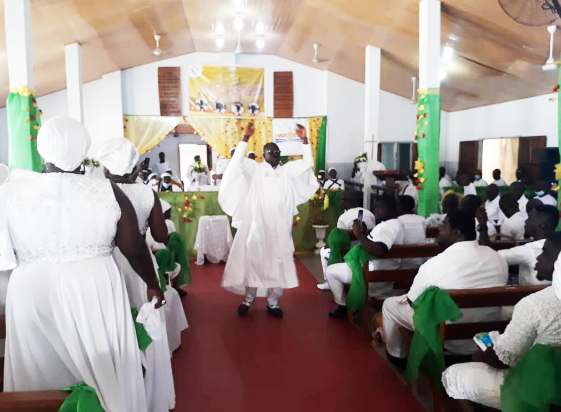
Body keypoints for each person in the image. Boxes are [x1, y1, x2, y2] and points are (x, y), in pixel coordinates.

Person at [0, 118, 163, 412]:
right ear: (85, 149)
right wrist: (153, 284)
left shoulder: (11, 192)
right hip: (94, 286)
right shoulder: (107, 191)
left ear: (42, 150)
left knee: (38, 369)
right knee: (102, 369)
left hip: (31, 289)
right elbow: (132, 247)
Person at [98, 137, 178, 412]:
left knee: (114, 327)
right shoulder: (146, 193)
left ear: (105, 168)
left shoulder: (98, 192)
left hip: (106, 265)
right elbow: (160, 235)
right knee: (147, 324)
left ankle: (119, 391)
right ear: (134, 167)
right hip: (140, 265)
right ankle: (149, 389)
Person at [442, 232, 561, 410]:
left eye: (544, 253)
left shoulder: (536, 305)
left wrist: (483, 354)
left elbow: (503, 359)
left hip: (538, 391)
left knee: (453, 375)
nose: (538, 257)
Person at [382, 209, 508, 367]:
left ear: (456, 232)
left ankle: (396, 356)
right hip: (485, 336)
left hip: (448, 339)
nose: (439, 230)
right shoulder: (496, 257)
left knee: (390, 305)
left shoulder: (435, 264)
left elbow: (414, 303)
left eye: (443, 226)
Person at [218, 123, 317, 318]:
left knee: (278, 262)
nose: (275, 154)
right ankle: (249, 298)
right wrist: (245, 138)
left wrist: (305, 141)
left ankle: (273, 302)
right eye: (271, 151)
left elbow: (308, 164)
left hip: (281, 226)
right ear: (264, 154)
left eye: (277, 151)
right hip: (258, 225)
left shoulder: (286, 170)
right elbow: (237, 161)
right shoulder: (255, 169)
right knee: (255, 260)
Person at [326, 196, 404, 319]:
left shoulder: (388, 226)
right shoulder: (393, 223)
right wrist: (365, 234)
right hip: (384, 269)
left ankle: (343, 307)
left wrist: (358, 235)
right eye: (376, 207)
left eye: (381, 208)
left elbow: (380, 250)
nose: (377, 211)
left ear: (391, 209)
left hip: (375, 273)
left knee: (330, 271)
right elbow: (377, 242)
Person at [481, 205, 558, 286]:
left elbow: (488, 257)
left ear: (541, 225)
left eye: (529, 218)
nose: (525, 221)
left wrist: (482, 225)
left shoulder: (529, 250)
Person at [317, 191, 376, 291]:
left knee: (323, 251)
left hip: (350, 253)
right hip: (368, 251)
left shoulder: (343, 218)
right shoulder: (370, 213)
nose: (339, 202)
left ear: (349, 201)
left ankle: (329, 282)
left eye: (341, 199)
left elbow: (339, 242)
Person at [397, 195, 427, 268]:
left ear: (400, 207)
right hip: (421, 262)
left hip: (405, 265)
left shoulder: (398, 220)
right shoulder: (421, 219)